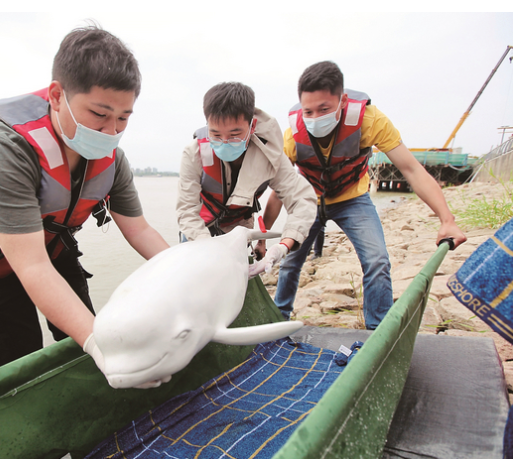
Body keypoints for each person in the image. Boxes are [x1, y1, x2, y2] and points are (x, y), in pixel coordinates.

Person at [0, 26, 170, 382]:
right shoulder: (1, 146)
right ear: (58, 96)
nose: (112, 132)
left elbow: (140, 230)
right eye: (99, 114)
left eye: (123, 118)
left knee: (81, 334)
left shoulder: (112, 159)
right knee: (21, 358)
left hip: (50, 241)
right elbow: (32, 267)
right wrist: (99, 344)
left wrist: (197, 268)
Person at [258, 61, 467, 328]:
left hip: (352, 200)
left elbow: (412, 169)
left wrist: (446, 220)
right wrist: (265, 237)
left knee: (377, 261)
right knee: (290, 263)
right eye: (308, 111)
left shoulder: (370, 120)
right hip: (308, 203)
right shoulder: (292, 136)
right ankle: (279, 321)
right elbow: (277, 192)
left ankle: (376, 331)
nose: (314, 118)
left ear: (343, 100)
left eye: (324, 109)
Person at [176, 82, 317, 274]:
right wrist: (209, 250)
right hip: (199, 231)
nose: (225, 142)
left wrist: (282, 246)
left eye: (235, 135)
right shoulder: (194, 153)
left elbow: (302, 199)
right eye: (215, 134)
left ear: (252, 126)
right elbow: (187, 210)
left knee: (239, 287)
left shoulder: (270, 155)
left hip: (238, 233)